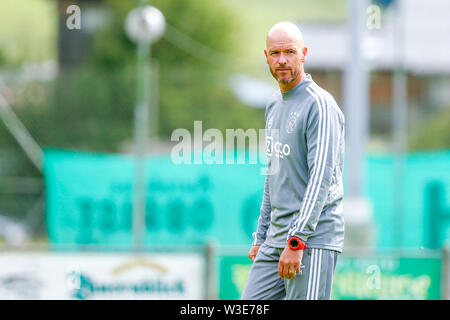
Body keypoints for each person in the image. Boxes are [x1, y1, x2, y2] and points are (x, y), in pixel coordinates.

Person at [241, 21, 345, 300]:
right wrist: (261, 236)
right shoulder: (274, 104)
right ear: (266, 57)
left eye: (289, 51)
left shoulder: (320, 105)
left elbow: (320, 178)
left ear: (304, 54)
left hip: (311, 240)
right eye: (275, 53)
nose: (282, 60)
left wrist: (297, 241)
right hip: (275, 240)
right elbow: (273, 175)